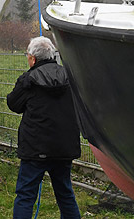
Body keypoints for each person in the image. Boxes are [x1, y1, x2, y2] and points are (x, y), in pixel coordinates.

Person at [7, 36, 81, 219]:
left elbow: (13, 104)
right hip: (63, 147)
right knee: (65, 194)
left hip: (35, 149)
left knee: (26, 196)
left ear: (32, 58)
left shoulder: (28, 79)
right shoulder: (70, 77)